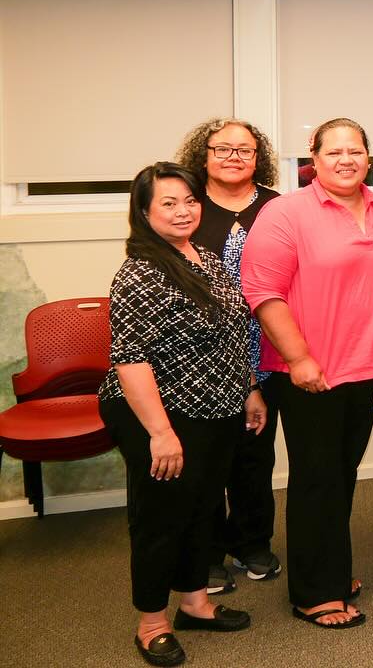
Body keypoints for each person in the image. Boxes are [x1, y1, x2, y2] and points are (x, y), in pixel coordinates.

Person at [241, 118, 373, 629]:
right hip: (310, 371)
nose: (345, 160)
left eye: (355, 150)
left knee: (340, 475)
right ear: (312, 157)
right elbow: (262, 292)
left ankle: (332, 571)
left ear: (368, 156)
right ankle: (314, 592)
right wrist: (298, 358)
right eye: (333, 151)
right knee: (316, 480)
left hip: (366, 366)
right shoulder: (285, 212)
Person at [99, 162, 261, 667]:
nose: (183, 210)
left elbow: (233, 331)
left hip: (216, 408)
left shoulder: (204, 256)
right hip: (158, 413)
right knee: (161, 517)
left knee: (202, 507)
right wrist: (161, 434)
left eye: (189, 201)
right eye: (168, 203)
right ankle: (151, 622)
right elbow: (130, 360)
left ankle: (194, 602)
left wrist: (249, 389)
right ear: (144, 212)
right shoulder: (139, 272)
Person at [176, 117, 282, 593]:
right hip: (203, 353)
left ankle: (251, 541)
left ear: (258, 157)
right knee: (206, 458)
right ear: (204, 155)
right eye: (223, 149)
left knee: (254, 454)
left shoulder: (279, 207)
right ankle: (207, 551)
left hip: (268, 347)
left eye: (245, 149)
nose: (234, 157)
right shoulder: (187, 206)